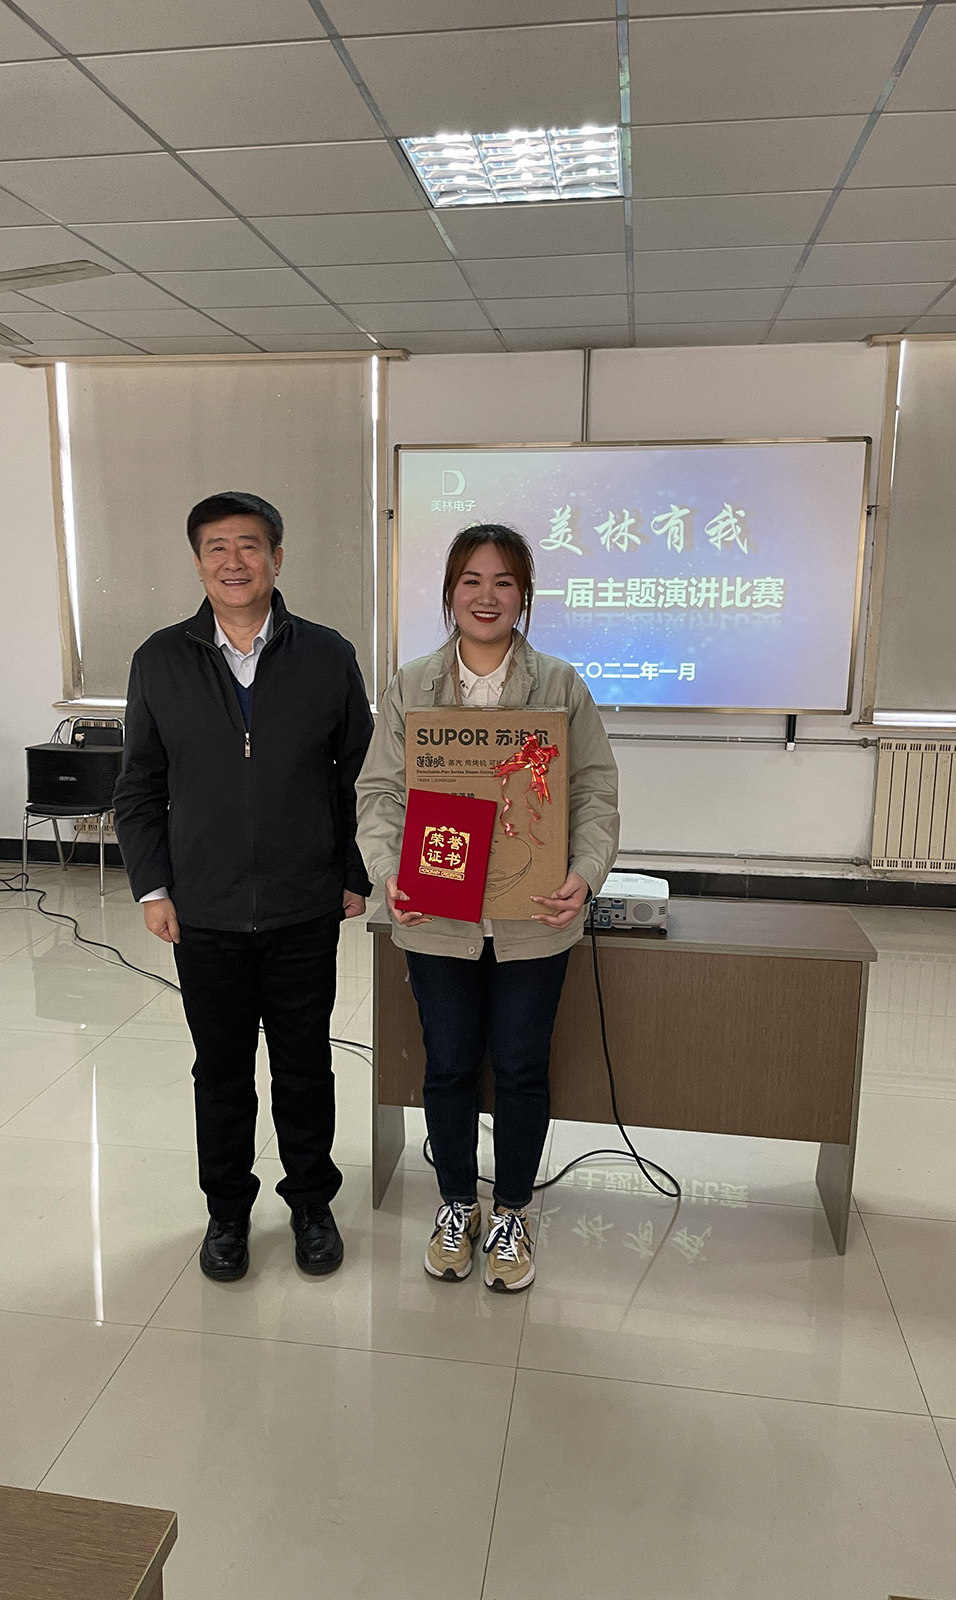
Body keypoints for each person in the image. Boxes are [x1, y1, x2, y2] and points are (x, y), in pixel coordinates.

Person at [114, 491, 373, 1283]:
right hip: (206, 909)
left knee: (305, 1067)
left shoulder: (326, 654)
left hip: (304, 905)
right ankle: (226, 1212)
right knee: (221, 1072)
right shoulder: (160, 658)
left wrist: (355, 872)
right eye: (217, 548)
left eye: (250, 546)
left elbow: (362, 777)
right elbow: (139, 785)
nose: (235, 561)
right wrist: (154, 888)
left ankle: (311, 1205)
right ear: (198, 564)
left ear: (277, 558)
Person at [356, 524, 618, 1293]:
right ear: (449, 593)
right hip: (438, 915)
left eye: (504, 582)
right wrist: (388, 871)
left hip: (534, 917)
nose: (486, 596)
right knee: (448, 1065)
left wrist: (586, 873)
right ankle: (455, 1206)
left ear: (524, 596)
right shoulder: (411, 687)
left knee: (522, 1066)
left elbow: (594, 792)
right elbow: (380, 793)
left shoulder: (561, 686)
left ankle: (511, 1214)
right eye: (471, 580)